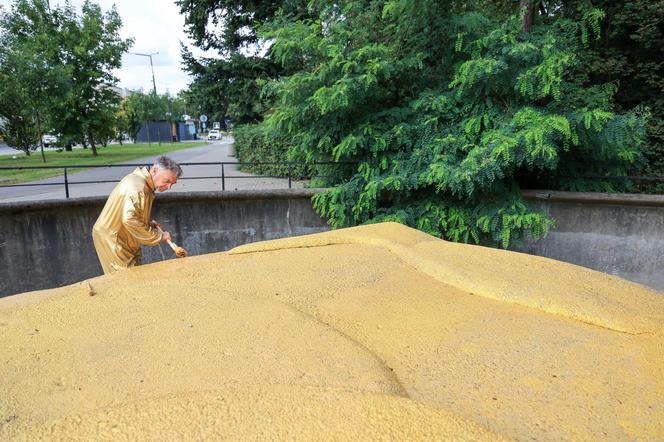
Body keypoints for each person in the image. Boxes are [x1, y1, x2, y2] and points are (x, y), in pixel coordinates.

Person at [92, 155, 182, 274]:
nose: (169, 187)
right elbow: (129, 219)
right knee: (126, 277)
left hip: (118, 235)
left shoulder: (140, 182)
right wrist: (159, 236)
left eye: (172, 184)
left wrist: (147, 223)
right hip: (115, 239)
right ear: (154, 171)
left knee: (132, 274)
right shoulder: (139, 188)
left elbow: (130, 214)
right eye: (167, 181)